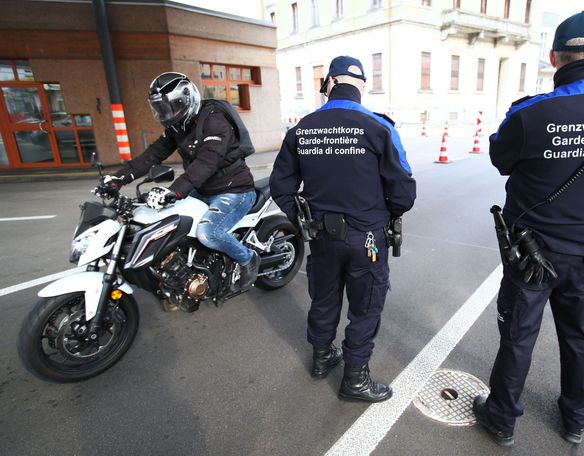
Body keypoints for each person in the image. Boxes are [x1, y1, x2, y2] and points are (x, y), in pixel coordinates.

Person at [473, 11, 584, 447]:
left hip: (533, 252)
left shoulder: (532, 112)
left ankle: (502, 417)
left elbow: (500, 160)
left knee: (518, 335)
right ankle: (575, 417)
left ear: (555, 57)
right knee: (579, 336)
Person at [269, 56, 416, 402]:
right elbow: (404, 191)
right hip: (367, 237)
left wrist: (303, 219)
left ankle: (322, 358)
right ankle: (355, 379)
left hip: (320, 235)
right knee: (365, 306)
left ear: (329, 83)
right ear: (361, 86)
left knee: (324, 296)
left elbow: (281, 185)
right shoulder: (379, 127)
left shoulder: (302, 128)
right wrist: (382, 215)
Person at [98, 72, 260, 309]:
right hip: (202, 188)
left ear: (188, 99)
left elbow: (207, 162)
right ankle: (176, 279)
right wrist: (118, 178)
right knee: (163, 223)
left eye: (172, 107)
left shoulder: (214, 120)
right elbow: (152, 155)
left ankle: (248, 259)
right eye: (162, 108)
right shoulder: (178, 126)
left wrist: (174, 191)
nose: (167, 114)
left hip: (234, 190)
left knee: (209, 233)